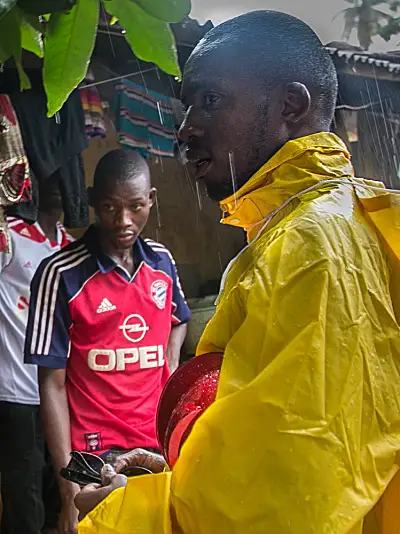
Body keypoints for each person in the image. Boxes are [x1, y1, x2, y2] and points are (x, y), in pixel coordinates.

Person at [74, 11, 400, 534]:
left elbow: (281, 501)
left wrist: (128, 511)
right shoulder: (316, 223)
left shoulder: (311, 243)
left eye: (210, 101)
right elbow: (274, 444)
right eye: (186, 107)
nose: (185, 130)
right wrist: (182, 475)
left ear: (290, 106)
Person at [23, 149, 190, 534]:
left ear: (151, 199)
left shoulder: (162, 263)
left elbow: (180, 318)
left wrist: (169, 357)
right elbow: (51, 383)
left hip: (157, 443)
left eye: (135, 206)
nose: (124, 220)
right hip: (94, 455)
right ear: (93, 201)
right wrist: (68, 491)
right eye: (111, 207)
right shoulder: (60, 274)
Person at [0, 179, 72, 534]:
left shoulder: (71, 248)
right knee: (23, 494)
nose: (59, 185)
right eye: (51, 176)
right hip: (15, 389)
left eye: (66, 177)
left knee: (60, 490)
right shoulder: (8, 235)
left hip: (59, 391)